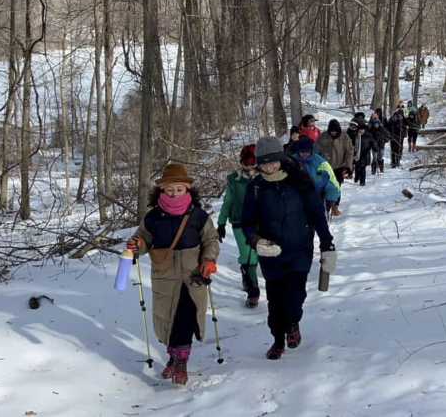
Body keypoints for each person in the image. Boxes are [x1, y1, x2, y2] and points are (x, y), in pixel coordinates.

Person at [240, 137, 336, 360]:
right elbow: (246, 222)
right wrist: (256, 242)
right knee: (275, 300)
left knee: (295, 294)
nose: (268, 167)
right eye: (263, 163)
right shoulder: (255, 187)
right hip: (270, 252)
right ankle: (277, 339)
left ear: (281, 159)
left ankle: (293, 322)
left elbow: (316, 214)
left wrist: (326, 242)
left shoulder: (300, 181)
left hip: (299, 248)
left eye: (272, 162)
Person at [126, 163, 220, 385]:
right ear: (162, 190)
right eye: (170, 189)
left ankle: (181, 363)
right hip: (164, 277)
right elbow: (143, 239)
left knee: (186, 320)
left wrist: (209, 260)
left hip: (193, 276)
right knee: (168, 320)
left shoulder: (198, 216)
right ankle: (172, 357)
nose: (174, 193)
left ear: (187, 189)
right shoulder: (153, 218)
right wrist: (137, 243)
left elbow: (211, 241)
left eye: (179, 189)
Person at [216, 145, 261, 308]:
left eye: (252, 163)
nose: (249, 166)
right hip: (239, 221)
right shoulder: (234, 179)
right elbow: (227, 201)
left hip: (262, 222)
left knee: (261, 254)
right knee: (248, 256)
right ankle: (252, 292)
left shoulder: (265, 176)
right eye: (246, 163)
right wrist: (221, 223)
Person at [316, 119, 354, 215]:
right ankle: (325, 205)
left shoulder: (344, 137)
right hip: (324, 167)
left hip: (339, 167)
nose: (333, 133)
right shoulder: (322, 137)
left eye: (335, 131)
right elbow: (316, 152)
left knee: (336, 187)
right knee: (323, 187)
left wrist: (349, 166)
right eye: (331, 131)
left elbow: (349, 152)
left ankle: (335, 206)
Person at [293, 137, 341, 208]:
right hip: (296, 199)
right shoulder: (291, 161)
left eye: (307, 152)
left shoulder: (321, 163)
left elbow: (332, 181)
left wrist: (331, 198)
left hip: (317, 198)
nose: (304, 154)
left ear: (311, 150)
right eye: (302, 152)